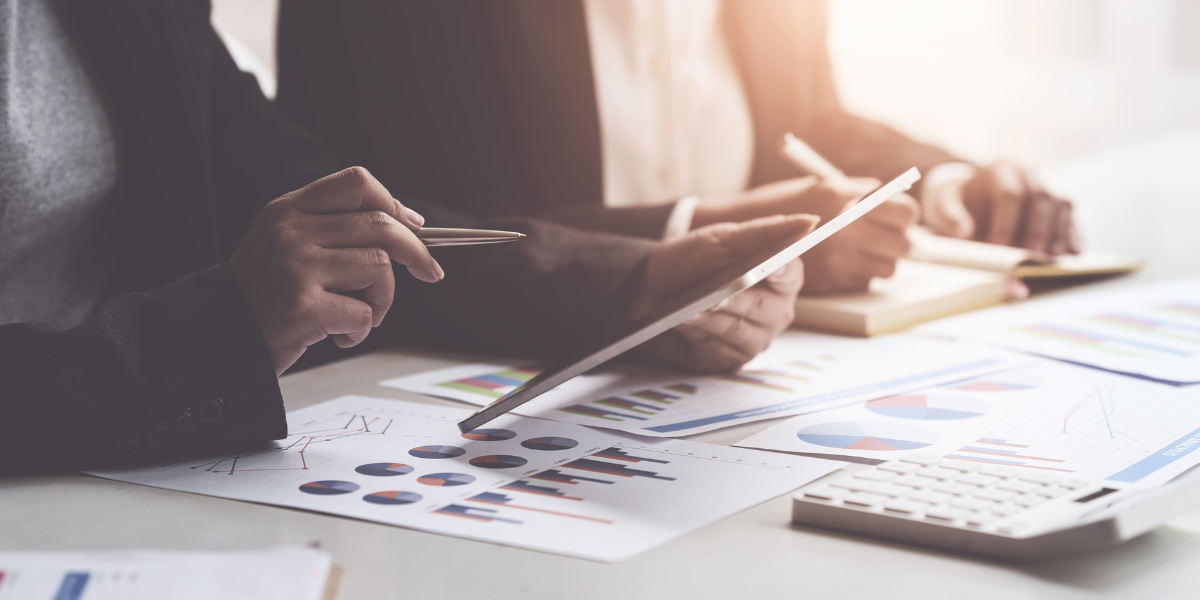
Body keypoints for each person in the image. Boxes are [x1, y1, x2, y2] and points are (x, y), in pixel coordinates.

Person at [0, 0, 817, 475]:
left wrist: (629, 281)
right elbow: (234, 305)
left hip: (122, 483)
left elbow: (323, 206)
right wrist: (208, 336)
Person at [276, 0, 1079, 299]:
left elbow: (802, 123)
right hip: (487, 388)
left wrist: (950, 179)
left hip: (748, 386)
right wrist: (701, 231)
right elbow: (379, 211)